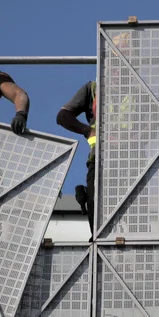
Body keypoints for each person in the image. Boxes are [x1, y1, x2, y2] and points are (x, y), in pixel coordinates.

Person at [56, 81, 97, 233]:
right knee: (96, 212)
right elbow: (63, 117)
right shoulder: (93, 89)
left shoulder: (138, 89)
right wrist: (88, 131)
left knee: (135, 217)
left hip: (134, 163)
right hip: (99, 161)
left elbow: (152, 124)